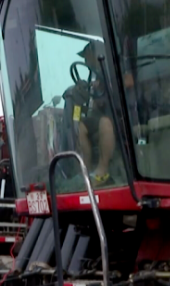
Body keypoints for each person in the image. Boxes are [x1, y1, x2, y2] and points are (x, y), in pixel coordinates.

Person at [74, 42, 117, 186]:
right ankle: (86, 169)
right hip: (101, 114)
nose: (86, 61)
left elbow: (128, 81)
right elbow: (96, 102)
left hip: (118, 114)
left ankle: (102, 171)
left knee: (105, 123)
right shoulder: (93, 76)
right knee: (80, 126)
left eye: (87, 57)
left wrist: (106, 85)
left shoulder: (113, 67)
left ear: (95, 54)